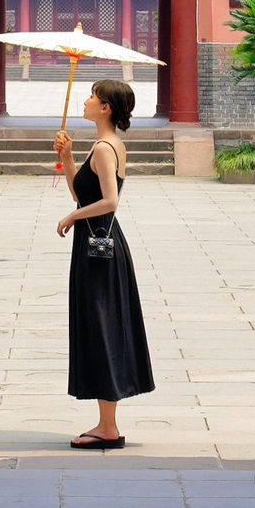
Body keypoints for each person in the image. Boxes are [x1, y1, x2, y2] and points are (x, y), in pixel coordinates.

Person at [54, 78, 155, 448]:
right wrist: (67, 159)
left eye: (93, 97)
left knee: (102, 327)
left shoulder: (103, 149)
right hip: (100, 245)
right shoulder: (107, 145)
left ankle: (109, 428)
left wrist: (71, 218)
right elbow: (84, 194)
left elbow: (110, 202)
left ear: (106, 108)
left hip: (99, 248)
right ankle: (105, 423)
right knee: (101, 326)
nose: (86, 101)